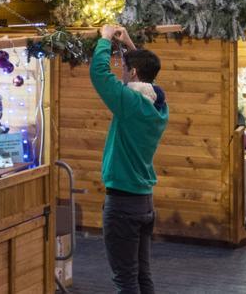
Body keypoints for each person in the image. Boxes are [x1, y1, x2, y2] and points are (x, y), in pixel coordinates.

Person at [90, 24, 169, 294]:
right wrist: (129, 45)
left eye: (125, 69)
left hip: (122, 203)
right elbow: (147, 79)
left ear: (133, 73)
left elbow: (100, 74)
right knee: (142, 275)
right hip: (144, 202)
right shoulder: (159, 106)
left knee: (125, 280)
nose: (122, 74)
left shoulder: (129, 103)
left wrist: (103, 41)